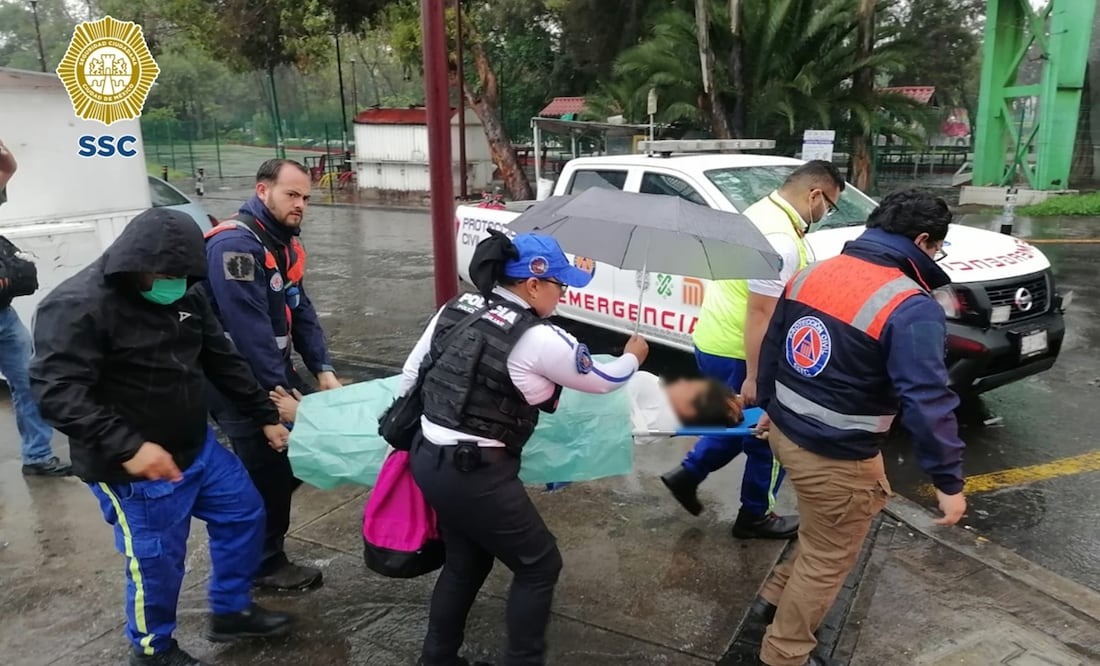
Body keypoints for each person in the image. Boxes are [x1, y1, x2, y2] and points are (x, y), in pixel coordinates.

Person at [28, 208, 296, 666]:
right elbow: (57, 392)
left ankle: (231, 610)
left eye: (181, 274)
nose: (173, 282)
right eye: (164, 274)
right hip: (134, 466)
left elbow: (221, 358)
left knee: (245, 513)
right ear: (133, 263)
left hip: (196, 447)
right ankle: (152, 649)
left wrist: (263, 413)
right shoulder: (77, 305)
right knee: (157, 562)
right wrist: (129, 446)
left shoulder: (188, 292)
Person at [403, 230, 649, 666]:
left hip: (428, 456)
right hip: (475, 472)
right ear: (533, 284)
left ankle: (436, 659)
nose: (564, 294)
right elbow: (605, 380)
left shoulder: (457, 307)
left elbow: (411, 377)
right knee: (539, 565)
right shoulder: (538, 338)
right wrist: (633, 356)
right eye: (561, 284)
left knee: (467, 560)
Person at [751, 190, 968, 666]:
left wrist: (768, 405)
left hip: (788, 434)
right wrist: (949, 482)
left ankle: (770, 600)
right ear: (924, 241)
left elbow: (773, 346)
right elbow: (926, 400)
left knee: (818, 534)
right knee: (827, 559)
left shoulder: (814, 273)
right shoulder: (911, 305)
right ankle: (783, 654)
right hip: (837, 457)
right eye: (936, 249)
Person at [661, 160, 845, 539]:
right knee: (769, 434)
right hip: (742, 349)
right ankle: (756, 515)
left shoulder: (759, 212)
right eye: (830, 205)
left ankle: (688, 473)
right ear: (815, 195)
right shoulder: (779, 239)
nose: (827, 213)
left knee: (738, 423)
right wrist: (755, 375)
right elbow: (761, 312)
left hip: (716, 338)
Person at [204, 158, 339, 592]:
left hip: (271, 372)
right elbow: (248, 333)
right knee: (270, 471)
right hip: (238, 381)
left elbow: (301, 308)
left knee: (296, 456)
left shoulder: (282, 242)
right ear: (263, 191)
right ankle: (263, 563)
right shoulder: (235, 248)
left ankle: (257, 544)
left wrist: (322, 368)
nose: (300, 205)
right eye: (291, 194)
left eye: (305, 198)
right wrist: (274, 401)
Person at [267, 372, 743, 443]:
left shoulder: (658, 417)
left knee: (398, 425)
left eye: (697, 390)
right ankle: (314, 410)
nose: (689, 383)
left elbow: (604, 419)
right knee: (401, 394)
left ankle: (307, 418)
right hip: (520, 392)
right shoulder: (653, 387)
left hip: (519, 414)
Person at [0, 135, 71, 477]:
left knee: (29, 381)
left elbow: (5, 170)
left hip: (4, 316)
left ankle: (38, 457)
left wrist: (5, 159)